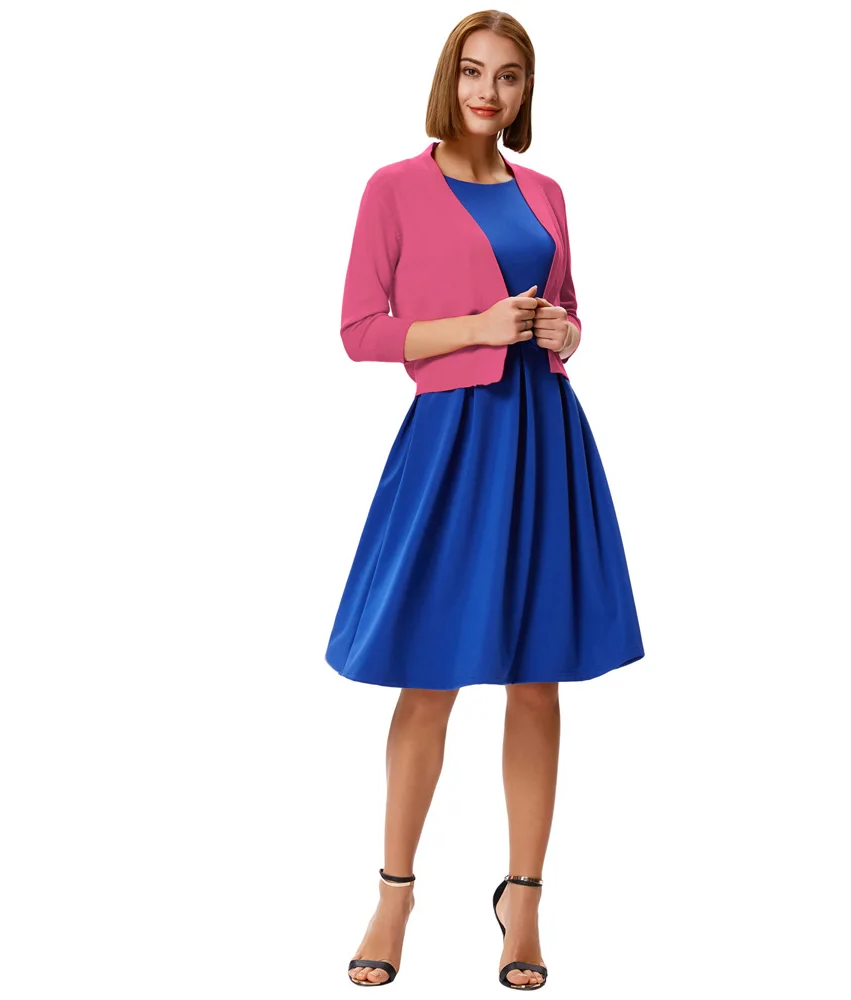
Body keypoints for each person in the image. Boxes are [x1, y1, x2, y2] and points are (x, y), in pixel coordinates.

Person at [326, 11, 644, 990]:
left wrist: (562, 332)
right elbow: (359, 331)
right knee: (429, 675)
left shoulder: (545, 191)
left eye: (508, 76)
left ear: (525, 90)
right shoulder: (393, 188)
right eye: (472, 72)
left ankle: (524, 902)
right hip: (453, 446)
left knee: (537, 678)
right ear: (448, 78)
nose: (488, 93)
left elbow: (570, 311)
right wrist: (478, 327)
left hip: (543, 437)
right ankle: (393, 894)